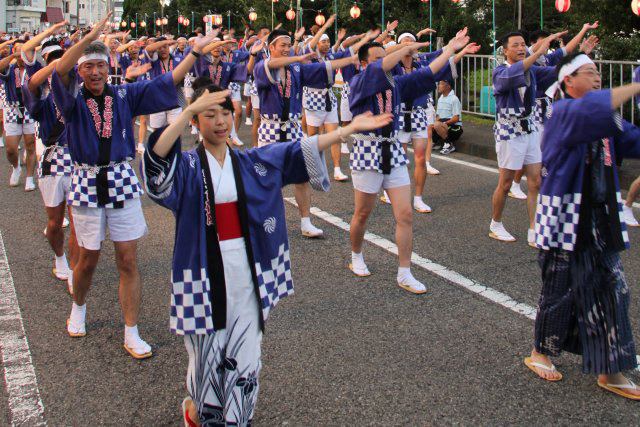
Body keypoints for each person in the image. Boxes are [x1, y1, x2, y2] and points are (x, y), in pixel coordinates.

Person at [141, 80, 392, 426]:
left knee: (246, 360)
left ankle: (236, 421)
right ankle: (200, 413)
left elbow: (295, 150)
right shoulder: (185, 167)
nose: (219, 121)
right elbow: (156, 165)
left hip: (247, 272)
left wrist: (347, 130)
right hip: (202, 274)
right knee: (206, 361)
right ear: (196, 122)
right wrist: (186, 111)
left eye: (225, 113)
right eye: (208, 114)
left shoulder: (251, 161)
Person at [51, 14, 214, 359]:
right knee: (89, 259)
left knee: (127, 259)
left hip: (122, 178)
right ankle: (78, 306)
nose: (94, 72)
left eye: (99, 65)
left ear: (107, 66)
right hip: (85, 181)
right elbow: (59, 70)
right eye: (87, 67)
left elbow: (165, 82)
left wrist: (194, 54)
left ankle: (131, 330)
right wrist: (91, 37)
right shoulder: (72, 100)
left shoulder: (125, 94)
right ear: (80, 72)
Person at [525, 53, 640, 400]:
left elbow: (633, 139)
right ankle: (540, 352)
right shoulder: (561, 112)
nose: (598, 78)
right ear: (568, 82)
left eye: (599, 73)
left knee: (612, 288)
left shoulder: (607, 120)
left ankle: (611, 368)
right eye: (590, 73)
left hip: (601, 217)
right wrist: (636, 85)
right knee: (560, 289)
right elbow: (589, 110)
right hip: (564, 215)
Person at [347, 29, 471, 293]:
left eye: (386, 55)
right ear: (365, 63)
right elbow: (381, 67)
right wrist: (403, 48)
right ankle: (356, 254)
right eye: (380, 57)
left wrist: (450, 48)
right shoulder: (359, 81)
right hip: (367, 151)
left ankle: (405, 272)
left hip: (392, 150)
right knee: (363, 213)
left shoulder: (397, 83)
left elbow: (426, 74)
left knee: (404, 214)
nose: (386, 60)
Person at [252, 28, 357, 238]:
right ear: (271, 47)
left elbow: (325, 67)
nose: (286, 49)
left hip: (293, 128)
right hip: (270, 129)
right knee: (268, 180)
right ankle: (266, 223)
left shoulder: (297, 70)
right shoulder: (261, 67)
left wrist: (350, 60)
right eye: (282, 45)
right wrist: (298, 57)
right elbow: (271, 64)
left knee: (302, 178)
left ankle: (306, 222)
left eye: (288, 45)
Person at [489, 30, 564, 246]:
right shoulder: (500, 72)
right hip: (509, 132)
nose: (521, 48)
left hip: (530, 128)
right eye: (516, 45)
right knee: (505, 183)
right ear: (505, 50)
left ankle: (534, 227)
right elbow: (516, 72)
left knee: (536, 180)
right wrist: (537, 51)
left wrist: (578, 57)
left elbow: (555, 70)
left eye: (523, 44)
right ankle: (495, 223)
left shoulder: (531, 71)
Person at [510, 23, 598, 200]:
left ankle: (542, 182)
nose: (547, 45)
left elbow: (567, 52)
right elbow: (536, 51)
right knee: (532, 148)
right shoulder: (527, 60)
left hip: (547, 105)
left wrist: (583, 32)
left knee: (543, 148)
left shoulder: (546, 60)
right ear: (533, 44)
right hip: (531, 108)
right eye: (544, 41)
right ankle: (515, 183)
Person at [21, 22, 78, 291]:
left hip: (80, 158)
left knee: (78, 221)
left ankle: (77, 270)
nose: (61, 65)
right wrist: (54, 67)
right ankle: (59, 257)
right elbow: (31, 85)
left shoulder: (79, 81)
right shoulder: (39, 86)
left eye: (62, 58)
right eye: (54, 59)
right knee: (55, 222)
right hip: (53, 156)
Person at [301, 16, 377, 183]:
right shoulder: (310, 55)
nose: (326, 44)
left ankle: (336, 169)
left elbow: (351, 51)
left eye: (328, 41)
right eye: (323, 42)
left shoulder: (332, 56)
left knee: (335, 135)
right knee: (313, 138)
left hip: (329, 98)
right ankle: (314, 166)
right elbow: (311, 43)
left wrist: (367, 38)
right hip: (313, 97)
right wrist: (326, 25)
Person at [0, 39, 37, 190]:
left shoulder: (33, 68)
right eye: (18, 50)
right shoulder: (10, 68)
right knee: (11, 149)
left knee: (30, 145)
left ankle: (29, 177)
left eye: (24, 50)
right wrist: (13, 55)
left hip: (30, 110)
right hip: (12, 110)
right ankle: (16, 167)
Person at [432, 79, 463, 155]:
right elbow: (438, 116)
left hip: (455, 127)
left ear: (448, 86)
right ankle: (438, 142)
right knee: (430, 124)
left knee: (437, 125)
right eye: (439, 84)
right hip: (443, 124)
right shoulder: (440, 98)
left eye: (441, 84)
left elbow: (456, 118)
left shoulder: (454, 99)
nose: (439, 86)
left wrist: (444, 124)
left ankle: (449, 144)